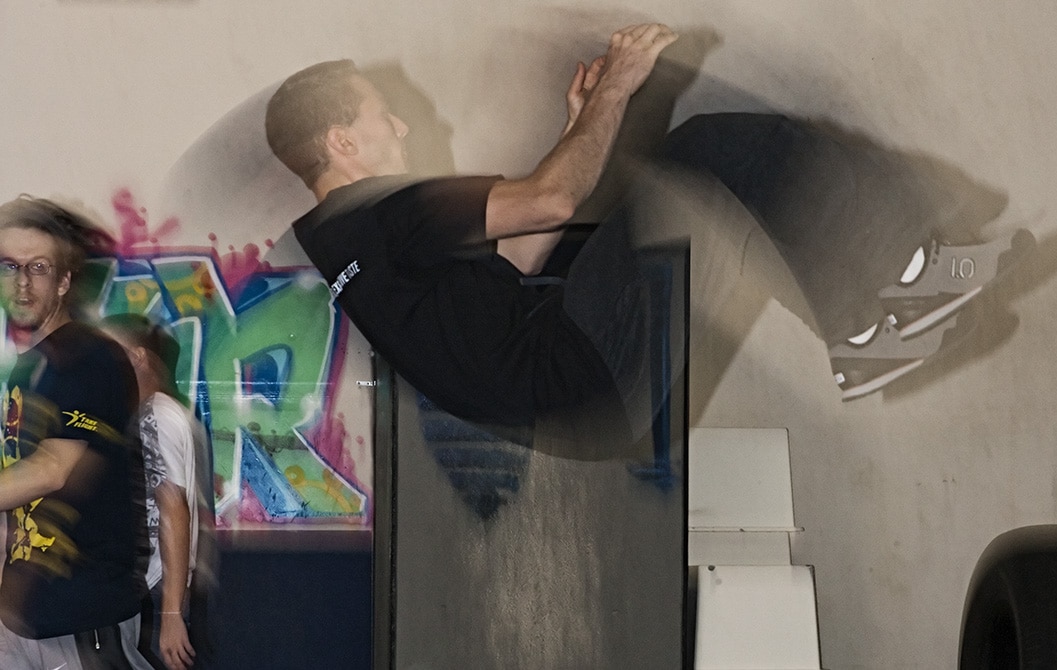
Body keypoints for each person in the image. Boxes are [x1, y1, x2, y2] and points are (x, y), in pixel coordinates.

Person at [264, 23, 1030, 444]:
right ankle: (899, 288)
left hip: (574, 402)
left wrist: (576, 124)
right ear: (341, 141)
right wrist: (619, 88)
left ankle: (864, 330)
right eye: (382, 116)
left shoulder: (349, 244)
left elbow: (520, 252)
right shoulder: (380, 209)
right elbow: (552, 200)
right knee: (713, 148)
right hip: (573, 361)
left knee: (717, 216)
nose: (401, 126)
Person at [0, 195, 154, 669]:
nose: (22, 283)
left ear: (64, 282)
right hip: (24, 619)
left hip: (84, 617)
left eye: (38, 268)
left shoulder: (91, 358)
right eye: (9, 267)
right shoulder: (26, 369)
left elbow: (51, 469)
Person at [101, 313, 208, 670]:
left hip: (156, 591)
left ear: (138, 357)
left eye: (110, 351)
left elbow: (173, 507)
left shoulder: (157, 415)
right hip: (150, 591)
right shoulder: (145, 413)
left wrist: (172, 613)